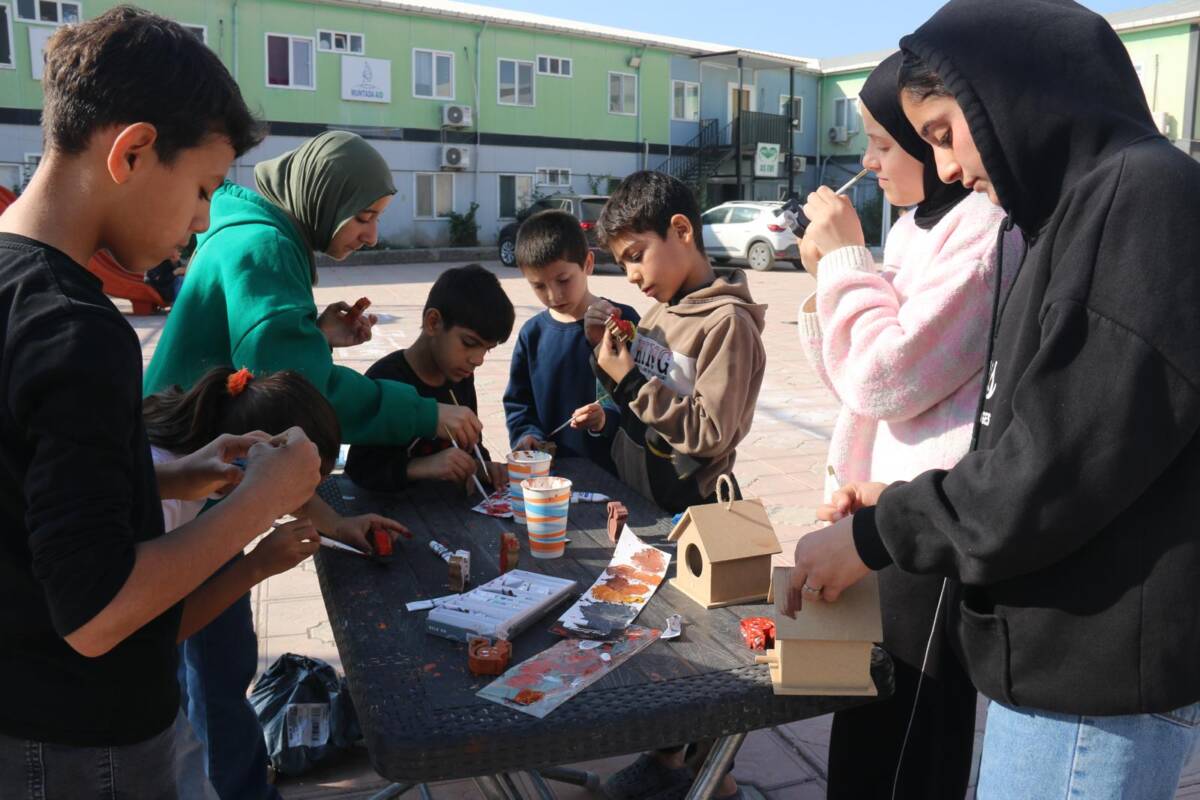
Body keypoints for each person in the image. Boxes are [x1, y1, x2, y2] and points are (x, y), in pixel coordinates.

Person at [788, 1, 1200, 797]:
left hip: (1097, 678)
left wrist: (880, 532)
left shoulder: (1142, 199)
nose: (944, 168)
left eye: (944, 132)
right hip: (1061, 660)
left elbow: (1055, 466)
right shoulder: (1082, 211)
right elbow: (1044, 429)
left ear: (1008, 93)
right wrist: (909, 498)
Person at [0, 8, 321, 799]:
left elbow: (25, 492)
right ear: (133, 151)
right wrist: (260, 502)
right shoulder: (76, 330)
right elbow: (99, 613)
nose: (202, 221)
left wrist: (177, 479)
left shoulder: (13, 285)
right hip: (85, 749)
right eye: (204, 188)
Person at [796, 51, 1005, 800]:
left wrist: (846, 263)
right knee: (867, 706)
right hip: (882, 502)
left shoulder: (986, 233)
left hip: (931, 517)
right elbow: (856, 380)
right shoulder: (919, 228)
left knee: (912, 729)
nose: (870, 162)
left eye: (886, 144)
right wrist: (836, 278)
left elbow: (891, 374)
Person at [145, 366, 408, 798]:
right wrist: (256, 566)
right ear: (258, 456)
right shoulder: (166, 502)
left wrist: (335, 525)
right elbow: (156, 633)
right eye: (302, 484)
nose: (302, 501)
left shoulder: (201, 471)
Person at [592, 171, 766, 800]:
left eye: (636, 256)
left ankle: (716, 778)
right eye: (623, 265)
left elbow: (710, 432)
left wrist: (630, 383)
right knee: (654, 646)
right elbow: (651, 400)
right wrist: (622, 353)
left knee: (699, 653)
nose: (633, 277)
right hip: (645, 502)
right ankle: (666, 759)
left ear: (682, 231)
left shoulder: (727, 324)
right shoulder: (667, 309)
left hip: (694, 511)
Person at [143, 130, 481, 449]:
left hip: (177, 440)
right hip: (181, 458)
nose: (372, 236)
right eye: (363, 218)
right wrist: (425, 414)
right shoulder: (266, 248)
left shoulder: (253, 234)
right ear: (324, 199)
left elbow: (262, 356)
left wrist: (313, 336)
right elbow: (297, 391)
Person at [346, 265, 514, 492]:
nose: (478, 359)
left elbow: (472, 446)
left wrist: (483, 467)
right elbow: (359, 469)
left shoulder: (461, 376)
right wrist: (420, 466)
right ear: (433, 322)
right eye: (469, 343)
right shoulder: (385, 380)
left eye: (487, 349)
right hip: (396, 515)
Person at [504, 209, 639, 472]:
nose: (554, 295)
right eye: (539, 286)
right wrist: (526, 436)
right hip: (551, 474)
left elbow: (641, 397)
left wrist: (606, 420)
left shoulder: (623, 321)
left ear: (588, 263)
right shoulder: (532, 334)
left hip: (617, 473)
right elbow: (519, 403)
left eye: (563, 280)